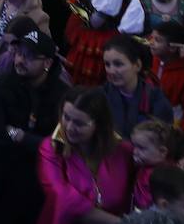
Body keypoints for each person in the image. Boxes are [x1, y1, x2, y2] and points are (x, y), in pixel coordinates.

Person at [0, 28, 70, 224]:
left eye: (29, 56)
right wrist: (38, 143)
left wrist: (18, 135)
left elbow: (61, 147)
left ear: (47, 63)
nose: (20, 60)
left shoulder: (63, 96)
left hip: (42, 186)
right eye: (19, 54)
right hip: (1, 183)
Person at [36, 87, 136, 224]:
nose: (69, 127)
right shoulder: (52, 147)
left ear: (99, 124)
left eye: (79, 123)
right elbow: (63, 197)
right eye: (66, 117)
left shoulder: (124, 151)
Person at [100, 35, 174, 138]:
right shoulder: (100, 96)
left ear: (137, 65)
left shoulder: (156, 100)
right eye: (107, 64)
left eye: (118, 64)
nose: (111, 71)